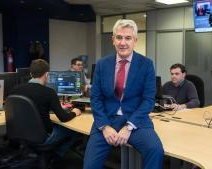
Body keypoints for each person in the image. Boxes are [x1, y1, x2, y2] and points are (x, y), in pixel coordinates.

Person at [83, 19, 164, 169]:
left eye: (128, 38)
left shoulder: (146, 64)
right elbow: (95, 98)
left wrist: (129, 127)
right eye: (119, 37)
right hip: (106, 121)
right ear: (113, 40)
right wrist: (104, 127)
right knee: (90, 165)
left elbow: (148, 100)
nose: (123, 42)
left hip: (136, 122)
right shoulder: (102, 64)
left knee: (155, 150)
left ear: (135, 41)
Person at [10, 59, 81, 157]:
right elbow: (63, 118)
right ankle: (56, 154)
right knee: (74, 130)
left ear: (31, 74)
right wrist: (74, 112)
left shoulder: (15, 89)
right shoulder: (49, 92)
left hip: (22, 135)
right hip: (44, 137)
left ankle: (46, 154)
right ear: (47, 75)